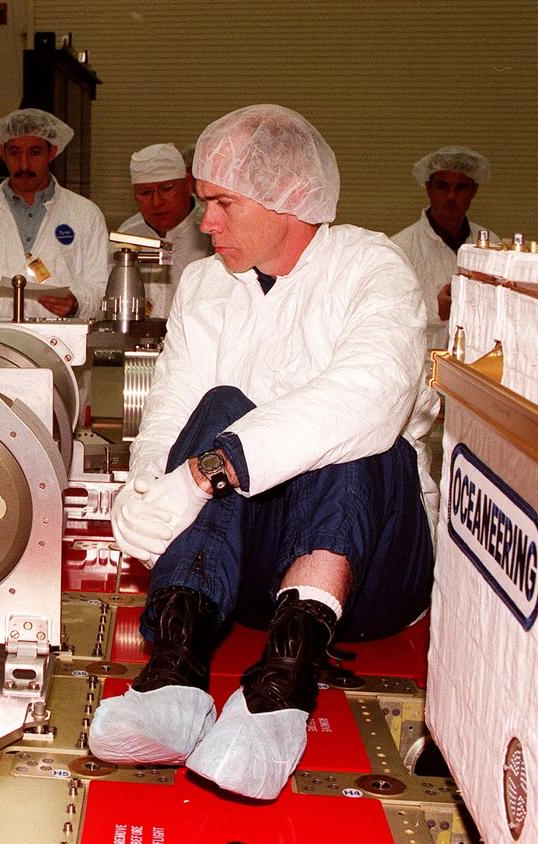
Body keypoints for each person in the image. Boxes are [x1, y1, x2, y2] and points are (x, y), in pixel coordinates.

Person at [87, 105, 438, 802]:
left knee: (362, 436)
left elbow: (368, 394)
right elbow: (173, 410)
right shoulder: (206, 285)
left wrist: (209, 472)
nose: (202, 222)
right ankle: (177, 674)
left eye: (220, 203)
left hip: (369, 573)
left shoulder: (374, 269)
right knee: (219, 405)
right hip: (246, 574)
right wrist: (149, 491)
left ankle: (283, 688)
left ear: (288, 200)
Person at [0, 108, 108, 320]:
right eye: (14, 153)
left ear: (52, 152)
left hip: (61, 343)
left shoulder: (86, 214)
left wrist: (77, 303)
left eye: (35, 152)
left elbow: (101, 286)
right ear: (3, 153)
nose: (24, 164)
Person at [390, 146, 495, 351]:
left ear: (474, 190)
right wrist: (437, 311)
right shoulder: (400, 248)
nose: (451, 196)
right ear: (429, 188)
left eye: (461, 187)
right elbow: (389, 317)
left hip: (476, 364)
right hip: (422, 367)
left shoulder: (491, 245)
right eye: (442, 186)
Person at [119, 143, 212, 318]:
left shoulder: (210, 232)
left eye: (167, 189)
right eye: (145, 192)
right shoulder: (127, 236)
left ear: (187, 184)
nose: (157, 202)